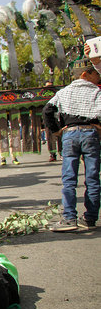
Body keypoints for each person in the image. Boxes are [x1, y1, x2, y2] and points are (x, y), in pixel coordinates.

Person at [43, 44, 101, 231]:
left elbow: (47, 110)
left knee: (69, 177)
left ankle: (69, 218)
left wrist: (57, 130)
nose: (98, 77)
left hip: (69, 134)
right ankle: (91, 217)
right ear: (85, 74)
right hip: (90, 133)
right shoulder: (96, 92)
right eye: (95, 74)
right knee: (92, 177)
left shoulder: (63, 91)